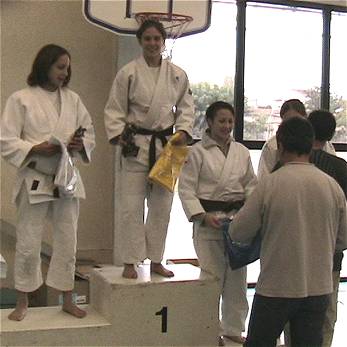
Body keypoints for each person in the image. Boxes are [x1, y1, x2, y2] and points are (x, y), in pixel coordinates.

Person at [230, 117, 347, 347]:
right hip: (318, 286)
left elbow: (238, 232)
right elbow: (344, 237)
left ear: (280, 145)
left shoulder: (271, 184)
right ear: (312, 143)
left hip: (276, 286)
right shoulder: (330, 185)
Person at [1, 44, 95, 321]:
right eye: (60, 67)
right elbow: (6, 140)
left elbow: (89, 134)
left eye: (67, 68)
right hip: (35, 178)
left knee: (68, 239)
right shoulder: (21, 99)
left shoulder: (74, 100)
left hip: (66, 178)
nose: (65, 73)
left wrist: (80, 143)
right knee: (28, 241)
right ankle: (22, 301)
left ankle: (67, 297)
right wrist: (33, 149)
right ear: (45, 66)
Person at [104, 19, 194, 279]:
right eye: (148, 39)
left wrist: (183, 132)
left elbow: (187, 109)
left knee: (162, 206)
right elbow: (114, 109)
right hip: (136, 143)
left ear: (163, 42)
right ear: (140, 42)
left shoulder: (177, 74)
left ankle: (156, 260)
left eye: (157, 39)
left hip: (169, 146)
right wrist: (120, 136)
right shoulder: (128, 73)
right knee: (131, 206)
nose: (153, 43)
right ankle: (130, 262)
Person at [178, 101, 257, 345]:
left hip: (237, 223)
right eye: (221, 121)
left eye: (230, 121)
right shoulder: (196, 152)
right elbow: (187, 189)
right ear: (209, 122)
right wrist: (201, 215)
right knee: (211, 277)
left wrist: (250, 214)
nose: (226, 126)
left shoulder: (242, 152)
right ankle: (209, 328)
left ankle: (233, 328)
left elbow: (251, 185)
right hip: (208, 221)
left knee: (237, 278)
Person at [308, 110, 347, 346]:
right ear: (331, 135)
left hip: (294, 254)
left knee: (294, 311)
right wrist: (339, 245)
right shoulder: (340, 168)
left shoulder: (286, 166)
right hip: (330, 253)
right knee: (326, 313)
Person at [257, 98, 335, 179]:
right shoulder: (272, 146)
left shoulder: (322, 143)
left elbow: (333, 168)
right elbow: (263, 178)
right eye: (288, 122)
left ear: (305, 118)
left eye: (297, 121)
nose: (293, 126)